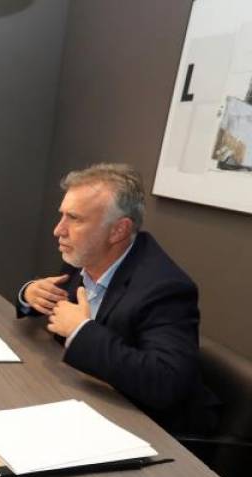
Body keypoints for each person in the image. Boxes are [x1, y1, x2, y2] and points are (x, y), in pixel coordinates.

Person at [18, 163, 218, 433]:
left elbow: (166, 382)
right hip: (83, 397)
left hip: (147, 428)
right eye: (61, 215)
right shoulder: (84, 256)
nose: (58, 230)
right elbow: (52, 303)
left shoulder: (165, 288)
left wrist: (80, 331)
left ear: (118, 230)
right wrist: (30, 293)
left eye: (74, 219)